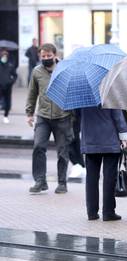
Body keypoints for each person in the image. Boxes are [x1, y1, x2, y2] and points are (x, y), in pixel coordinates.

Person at [26, 43, 73, 194]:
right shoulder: (36, 71)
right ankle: (40, 181)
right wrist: (29, 113)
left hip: (62, 117)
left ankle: (62, 183)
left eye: (48, 56)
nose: (46, 58)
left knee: (62, 151)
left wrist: (73, 116)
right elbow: (32, 93)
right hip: (43, 116)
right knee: (38, 147)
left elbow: (72, 93)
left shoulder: (64, 70)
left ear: (55, 55)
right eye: (43, 56)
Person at [80, 106, 127, 221]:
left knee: (91, 178)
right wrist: (123, 137)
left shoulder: (82, 95)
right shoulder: (108, 92)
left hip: (89, 140)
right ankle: (108, 212)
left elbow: (78, 116)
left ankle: (91, 212)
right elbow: (118, 116)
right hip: (110, 140)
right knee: (109, 179)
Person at [0, 49, 17, 124]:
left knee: (7, 103)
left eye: (5, 55)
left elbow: (15, 75)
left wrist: (11, 82)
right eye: (3, 55)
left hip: (8, 87)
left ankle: (6, 116)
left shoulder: (10, 65)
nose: (4, 57)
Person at [68, 112, 86, 179]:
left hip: (74, 115)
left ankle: (78, 165)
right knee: (74, 142)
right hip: (72, 115)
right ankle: (80, 165)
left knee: (72, 141)